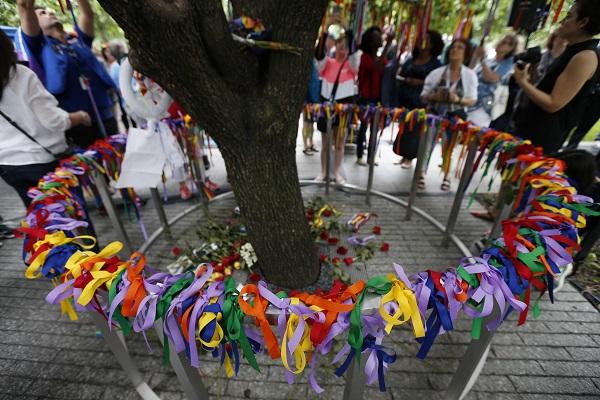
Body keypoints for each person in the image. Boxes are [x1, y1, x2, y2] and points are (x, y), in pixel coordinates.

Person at [0, 29, 91, 207]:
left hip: (8, 166)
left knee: (42, 222)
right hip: (42, 162)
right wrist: (80, 116)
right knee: (71, 219)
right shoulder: (20, 75)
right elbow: (54, 120)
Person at [17, 0, 118, 148]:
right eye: (42, 13)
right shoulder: (38, 46)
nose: (50, 12)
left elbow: (87, 14)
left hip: (106, 116)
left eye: (50, 11)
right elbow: (25, 6)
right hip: (78, 124)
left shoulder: (78, 40)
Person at [512, 0, 600, 154]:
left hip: (540, 142)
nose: (562, 21)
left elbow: (553, 103)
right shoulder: (572, 50)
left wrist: (522, 82)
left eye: (568, 16)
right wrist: (530, 77)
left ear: (583, 22)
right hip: (529, 130)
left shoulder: (585, 56)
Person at [419, 38, 478, 191]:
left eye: (460, 48)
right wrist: (435, 97)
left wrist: (457, 99)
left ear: (466, 54)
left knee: (450, 148)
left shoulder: (470, 75)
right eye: (453, 47)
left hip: (455, 116)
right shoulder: (437, 72)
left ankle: (447, 176)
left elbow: (472, 100)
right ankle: (421, 174)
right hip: (434, 114)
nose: (455, 50)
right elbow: (423, 95)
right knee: (427, 144)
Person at [314, 28, 360, 185]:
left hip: (343, 109)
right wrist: (324, 36)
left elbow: (355, 55)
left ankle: (338, 174)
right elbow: (319, 57)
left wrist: (350, 35)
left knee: (339, 144)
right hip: (327, 107)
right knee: (325, 144)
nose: (342, 49)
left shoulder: (352, 66)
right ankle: (323, 172)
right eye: (340, 45)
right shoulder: (328, 63)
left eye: (345, 46)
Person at [394, 30, 444, 168]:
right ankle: (404, 154)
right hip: (405, 100)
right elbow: (401, 74)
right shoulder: (411, 60)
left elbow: (436, 83)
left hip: (421, 102)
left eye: (427, 39)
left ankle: (410, 156)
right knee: (405, 128)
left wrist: (419, 82)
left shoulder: (436, 64)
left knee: (416, 130)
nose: (423, 42)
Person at [355, 26, 391, 166]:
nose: (380, 38)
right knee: (363, 127)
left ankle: (370, 157)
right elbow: (375, 67)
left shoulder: (381, 58)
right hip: (366, 98)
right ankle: (359, 156)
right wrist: (388, 45)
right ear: (370, 42)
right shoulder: (365, 57)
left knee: (374, 129)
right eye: (377, 36)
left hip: (378, 99)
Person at [468, 34, 518, 127]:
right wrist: (476, 56)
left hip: (482, 107)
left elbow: (491, 78)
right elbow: (470, 72)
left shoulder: (508, 64)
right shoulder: (490, 60)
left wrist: (482, 59)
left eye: (505, 43)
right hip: (470, 101)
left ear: (511, 48)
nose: (501, 43)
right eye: (502, 40)